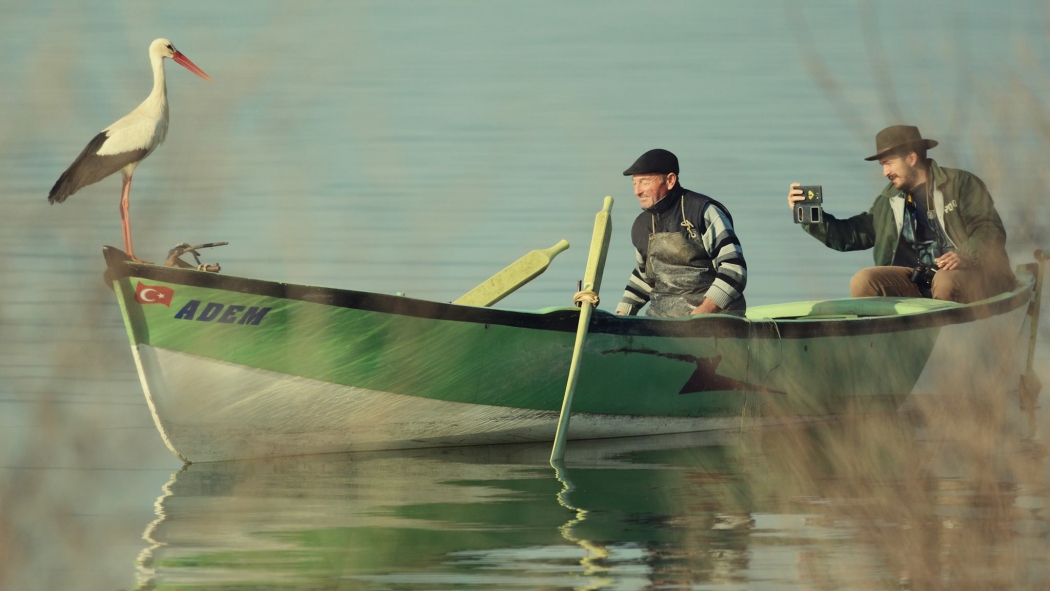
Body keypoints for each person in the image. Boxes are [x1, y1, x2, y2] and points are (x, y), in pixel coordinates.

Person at [787, 125, 1014, 303]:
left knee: (945, 282)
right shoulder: (888, 200)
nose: (885, 172)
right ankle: (889, 340)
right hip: (916, 281)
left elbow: (989, 229)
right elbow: (851, 235)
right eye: (882, 166)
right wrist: (808, 215)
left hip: (971, 273)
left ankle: (950, 348)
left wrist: (964, 255)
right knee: (863, 281)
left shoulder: (961, 183)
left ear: (912, 158)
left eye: (888, 163)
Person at [614, 149, 747, 317]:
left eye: (645, 182)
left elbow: (734, 270)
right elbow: (644, 277)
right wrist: (620, 317)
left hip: (715, 322)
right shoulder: (642, 225)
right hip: (660, 324)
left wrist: (701, 315)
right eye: (635, 183)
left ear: (670, 180)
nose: (637, 191)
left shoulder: (703, 212)